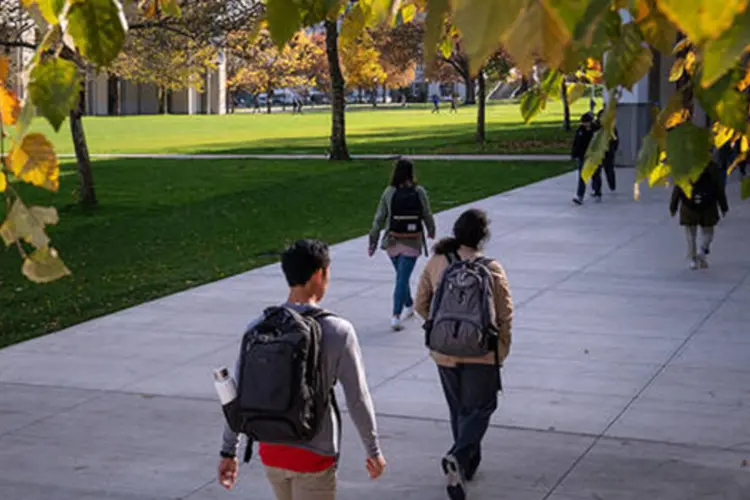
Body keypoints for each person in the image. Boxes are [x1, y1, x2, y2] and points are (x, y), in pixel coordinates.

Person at [217, 240, 387, 499]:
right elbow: (357, 397)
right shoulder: (338, 331)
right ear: (319, 274)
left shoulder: (258, 327)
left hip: (271, 450)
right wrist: (373, 450)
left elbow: (237, 395)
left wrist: (228, 451)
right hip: (314, 453)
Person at [415, 209, 513, 500]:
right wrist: (501, 349)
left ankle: (466, 467)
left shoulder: (437, 261)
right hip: (481, 352)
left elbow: (421, 302)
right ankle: (458, 456)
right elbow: (505, 314)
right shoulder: (492, 268)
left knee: (459, 410)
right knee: (481, 408)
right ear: (483, 237)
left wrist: (441, 329)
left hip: (445, 352)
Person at [369, 159, 436, 331]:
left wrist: (373, 241)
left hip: (392, 240)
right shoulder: (419, 191)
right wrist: (431, 229)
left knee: (401, 277)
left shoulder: (389, 192)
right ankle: (397, 314)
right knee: (402, 277)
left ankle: (405, 307)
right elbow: (427, 213)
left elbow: (379, 218)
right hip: (412, 241)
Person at [670, 163, 729, 270]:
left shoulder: (686, 166)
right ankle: (702, 252)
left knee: (690, 235)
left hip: (689, 205)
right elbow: (720, 188)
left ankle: (693, 260)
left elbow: (678, 187)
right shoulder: (713, 168)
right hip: (708, 206)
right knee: (708, 232)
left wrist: (673, 206)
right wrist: (723, 206)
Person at [571, 112, 595, 205]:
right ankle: (580, 196)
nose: (585, 124)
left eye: (586, 122)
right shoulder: (580, 131)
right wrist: (574, 154)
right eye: (583, 123)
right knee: (583, 176)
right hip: (583, 156)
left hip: (593, 155)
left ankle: (596, 190)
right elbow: (576, 143)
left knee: (595, 175)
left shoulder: (595, 130)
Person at [595, 109, 619, 194]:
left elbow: (615, 140)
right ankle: (596, 189)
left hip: (608, 152)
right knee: (596, 172)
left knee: (609, 170)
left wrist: (613, 148)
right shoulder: (595, 126)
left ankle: (612, 185)